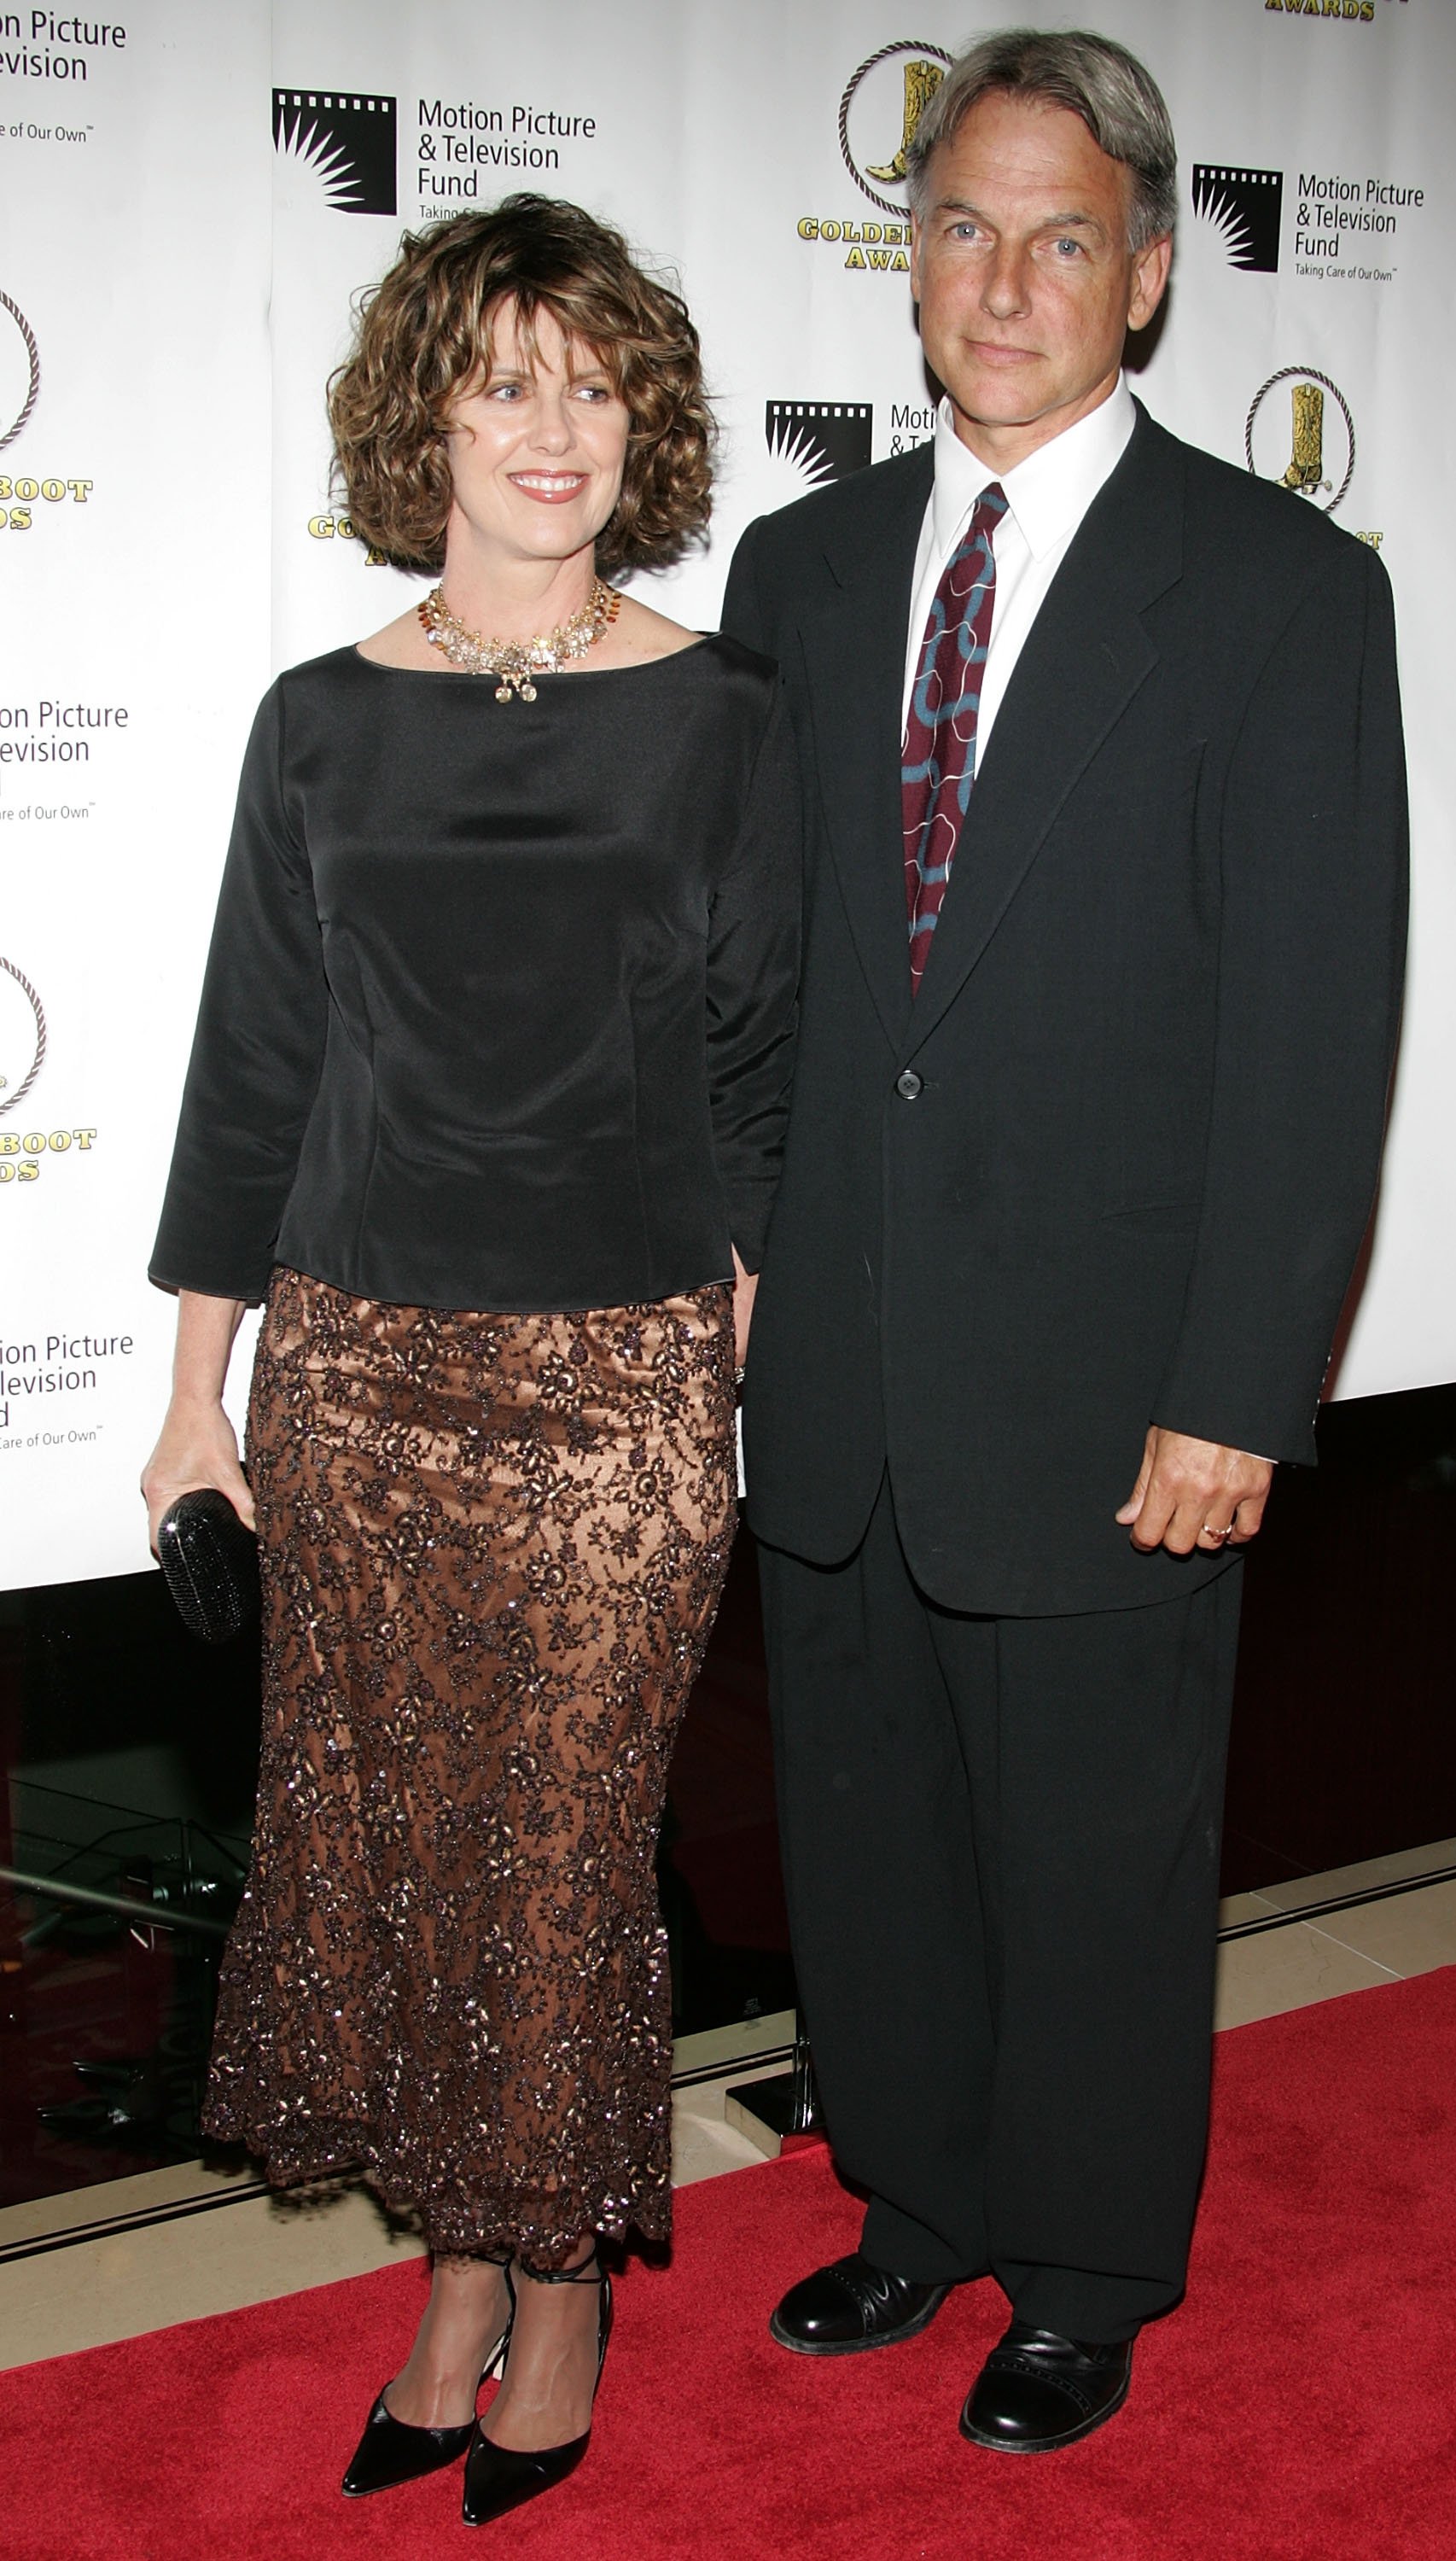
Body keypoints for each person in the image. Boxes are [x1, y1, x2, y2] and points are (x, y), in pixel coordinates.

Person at [723, 29, 1406, 2455]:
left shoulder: (1278, 590)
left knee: (1099, 1857)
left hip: (1118, 1378)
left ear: (1140, 278)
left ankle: (1089, 2264)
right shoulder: (795, 574)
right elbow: (768, 986)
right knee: (874, 1828)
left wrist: (1239, 1384)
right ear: (906, 260)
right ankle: (913, 2201)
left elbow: (1315, 1027)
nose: (999, 282)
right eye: (956, 228)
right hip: (834, 1366)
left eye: (1058, 237)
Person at [143, 194, 798, 2526]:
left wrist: (714, 1361)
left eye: (596, 382)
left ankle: (568, 2281)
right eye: (507, 376)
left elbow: (759, 1069)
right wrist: (200, 1387)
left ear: (649, 424)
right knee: (399, 1860)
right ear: (421, 408)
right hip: (356, 1377)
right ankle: (453, 2274)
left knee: (557, 1862)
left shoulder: (724, 713)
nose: (554, 427)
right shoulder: (317, 726)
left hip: (616, 1396)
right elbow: (253, 1062)